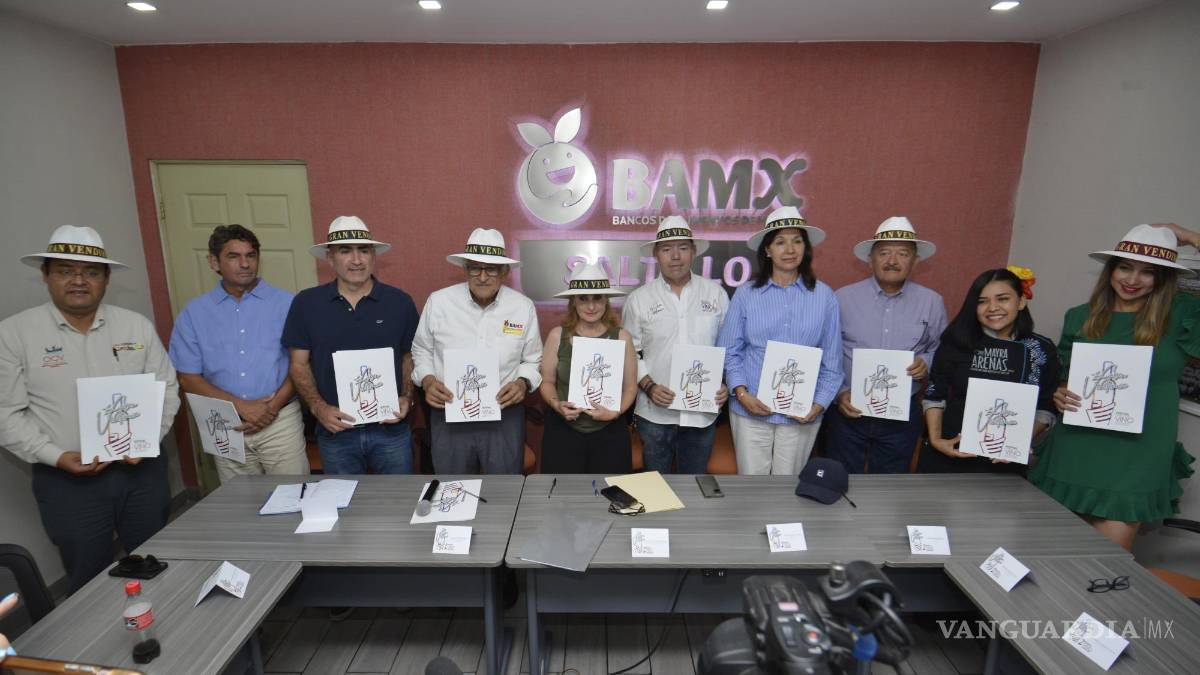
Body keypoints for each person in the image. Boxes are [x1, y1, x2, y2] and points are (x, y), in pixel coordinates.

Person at [0, 226, 179, 592]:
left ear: (106, 278)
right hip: (67, 480)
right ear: (46, 275)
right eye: (65, 271)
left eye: (91, 272)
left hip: (140, 472)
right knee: (87, 574)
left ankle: (161, 621)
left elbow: (166, 390)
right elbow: (5, 412)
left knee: (156, 558)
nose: (79, 280)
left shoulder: (136, 327)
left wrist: (146, 439)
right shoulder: (14, 334)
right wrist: (55, 456)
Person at [1030, 223, 1200, 551]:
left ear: (1164, 278)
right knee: (1054, 558)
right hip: (1076, 447)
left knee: (1104, 566)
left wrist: (1191, 237)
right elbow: (1068, 376)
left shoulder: (1182, 315)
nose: (1132, 280)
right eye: (1125, 267)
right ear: (1111, 270)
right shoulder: (1080, 316)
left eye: (1148, 272)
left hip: (1137, 454)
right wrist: (1061, 392)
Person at [169, 225, 308, 480]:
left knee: (293, 493)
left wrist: (271, 408)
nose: (245, 264)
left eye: (251, 255)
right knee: (239, 498)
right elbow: (188, 377)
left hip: (280, 419)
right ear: (214, 262)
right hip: (225, 422)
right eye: (234, 256)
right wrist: (241, 406)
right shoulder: (193, 314)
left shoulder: (289, 304)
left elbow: (301, 364)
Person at [283, 216, 418, 474]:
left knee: (398, 496)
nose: (356, 260)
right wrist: (318, 408)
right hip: (336, 432)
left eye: (363, 250)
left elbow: (408, 356)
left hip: (391, 430)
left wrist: (407, 397)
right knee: (343, 498)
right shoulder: (306, 304)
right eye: (345, 251)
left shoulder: (399, 302)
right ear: (330, 258)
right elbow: (298, 364)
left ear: (373, 256)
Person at [717, 206, 843, 475]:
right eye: (780, 242)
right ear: (767, 250)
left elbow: (832, 361)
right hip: (750, 408)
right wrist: (741, 393)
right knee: (752, 484)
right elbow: (729, 350)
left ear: (806, 249)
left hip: (801, 413)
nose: (790, 249)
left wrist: (818, 404)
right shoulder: (746, 294)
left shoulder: (824, 297)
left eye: (797, 241)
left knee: (789, 486)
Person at [411, 228, 542, 474]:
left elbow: (532, 360)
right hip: (449, 412)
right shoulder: (439, 302)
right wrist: (427, 381)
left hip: (503, 415)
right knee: (453, 489)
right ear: (465, 269)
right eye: (475, 268)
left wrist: (522, 383)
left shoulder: (522, 307)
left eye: (491, 269)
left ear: (504, 272)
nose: (482, 277)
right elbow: (421, 350)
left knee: (504, 490)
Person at [827, 217, 947, 473]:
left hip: (902, 415)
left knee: (891, 487)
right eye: (883, 253)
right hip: (848, 410)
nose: (892, 260)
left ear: (915, 261)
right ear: (870, 259)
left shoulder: (932, 302)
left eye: (903, 253)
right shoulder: (842, 298)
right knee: (839, 481)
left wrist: (927, 362)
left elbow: (941, 349)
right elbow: (828, 352)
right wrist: (839, 393)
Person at [920, 267, 1059, 473]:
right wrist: (936, 439)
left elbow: (1046, 406)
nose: (992, 308)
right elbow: (934, 393)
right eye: (982, 301)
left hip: (1005, 463)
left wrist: (1019, 442)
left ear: (1021, 301)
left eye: (1003, 299)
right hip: (950, 453)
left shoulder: (1040, 348)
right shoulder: (955, 342)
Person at [623, 216, 730, 474]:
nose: (675, 256)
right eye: (666, 249)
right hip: (654, 414)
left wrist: (725, 382)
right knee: (655, 487)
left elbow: (729, 349)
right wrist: (648, 386)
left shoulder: (716, 294)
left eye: (683, 247)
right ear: (656, 254)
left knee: (694, 485)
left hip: (702, 413)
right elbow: (629, 353)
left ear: (693, 251)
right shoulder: (639, 299)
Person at [538, 262, 637, 473]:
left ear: (606, 301)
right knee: (562, 491)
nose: (591, 306)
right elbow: (547, 381)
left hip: (610, 431)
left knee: (612, 490)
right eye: (583, 298)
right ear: (573, 301)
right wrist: (557, 405)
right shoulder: (557, 336)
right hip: (564, 430)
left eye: (597, 298)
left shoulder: (622, 337)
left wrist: (616, 413)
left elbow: (630, 387)